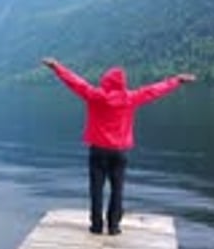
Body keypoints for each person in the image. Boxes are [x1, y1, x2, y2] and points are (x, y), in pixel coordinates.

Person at [42, 57, 196, 235]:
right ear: (122, 83)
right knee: (117, 190)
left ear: (105, 81)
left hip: (98, 151)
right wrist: (177, 80)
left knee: (96, 190)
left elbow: (75, 82)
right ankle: (114, 227)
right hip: (119, 153)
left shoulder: (95, 95)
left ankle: (97, 226)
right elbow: (154, 91)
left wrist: (56, 67)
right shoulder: (130, 98)